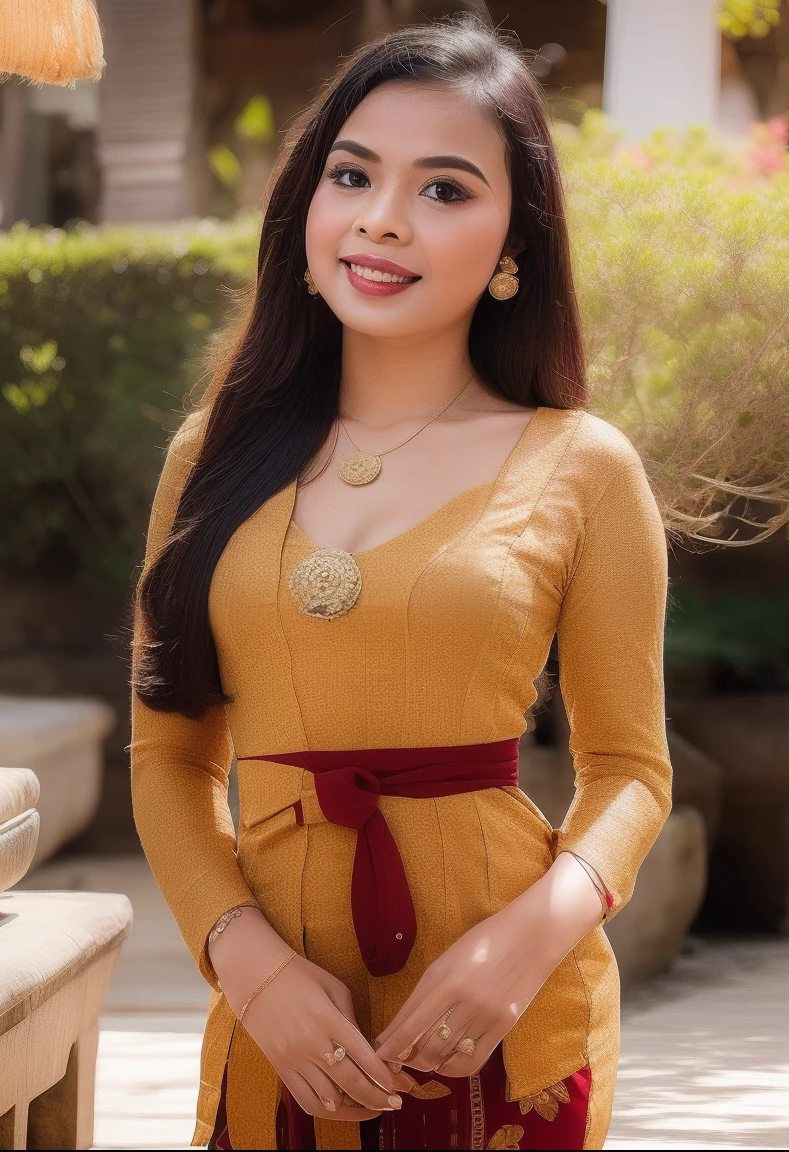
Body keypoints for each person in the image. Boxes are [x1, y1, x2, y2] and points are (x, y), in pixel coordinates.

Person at [130, 17, 671, 1150]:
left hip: (504, 1041)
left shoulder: (582, 466)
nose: (382, 217)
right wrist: (246, 961)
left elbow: (628, 775)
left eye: (444, 189)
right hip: (278, 1037)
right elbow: (172, 755)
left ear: (514, 241)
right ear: (309, 206)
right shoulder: (210, 458)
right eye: (353, 174)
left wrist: (518, 951)